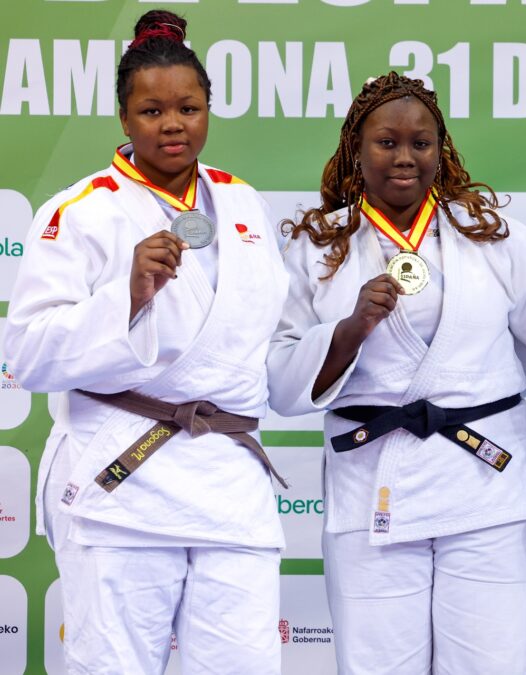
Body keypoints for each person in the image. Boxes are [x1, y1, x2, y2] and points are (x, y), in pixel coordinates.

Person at [267, 72, 526, 674]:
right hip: (372, 487)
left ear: (443, 149)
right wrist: (348, 330)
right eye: (387, 142)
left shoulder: (492, 236)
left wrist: (477, 389)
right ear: (356, 150)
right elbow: (281, 383)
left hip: (485, 484)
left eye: (422, 143)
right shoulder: (320, 246)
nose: (405, 158)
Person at [1, 9, 289, 675]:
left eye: (188, 107)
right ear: (125, 119)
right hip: (123, 482)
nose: (172, 124)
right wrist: (125, 296)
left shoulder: (244, 205)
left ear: (208, 109)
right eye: (152, 109)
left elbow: (266, 335)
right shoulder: (82, 211)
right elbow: (29, 354)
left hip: (229, 486)